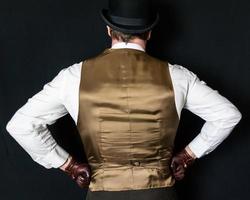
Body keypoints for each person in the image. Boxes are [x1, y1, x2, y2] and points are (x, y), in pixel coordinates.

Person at [6, 0, 242, 199]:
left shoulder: (73, 76)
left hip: (102, 194)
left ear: (109, 30)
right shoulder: (177, 76)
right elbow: (228, 115)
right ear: (149, 32)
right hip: (159, 194)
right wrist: (188, 155)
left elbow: (21, 125)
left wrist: (69, 165)